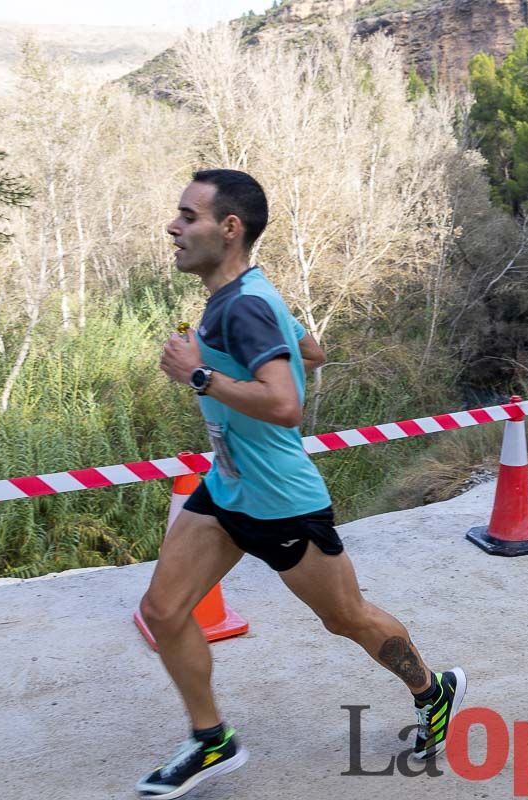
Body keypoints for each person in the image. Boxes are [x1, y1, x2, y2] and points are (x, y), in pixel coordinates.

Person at [137, 169, 466, 799]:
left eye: (188, 216)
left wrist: (200, 375)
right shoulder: (241, 297)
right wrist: (269, 348)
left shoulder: (247, 305)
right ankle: (212, 742)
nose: (173, 227)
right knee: (163, 610)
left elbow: (287, 404)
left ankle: (434, 689)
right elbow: (308, 352)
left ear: (229, 229)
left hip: (283, 504)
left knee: (348, 619)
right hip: (228, 490)